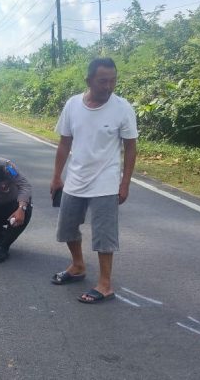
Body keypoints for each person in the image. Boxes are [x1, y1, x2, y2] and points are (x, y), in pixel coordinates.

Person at [50, 57, 138, 304]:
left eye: (113, 81)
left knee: (103, 235)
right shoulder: (72, 105)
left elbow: (131, 148)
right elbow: (64, 143)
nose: (108, 86)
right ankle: (78, 266)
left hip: (106, 182)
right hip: (76, 178)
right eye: (102, 81)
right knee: (67, 228)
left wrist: (125, 183)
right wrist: (56, 176)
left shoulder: (122, 108)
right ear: (88, 80)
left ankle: (105, 284)